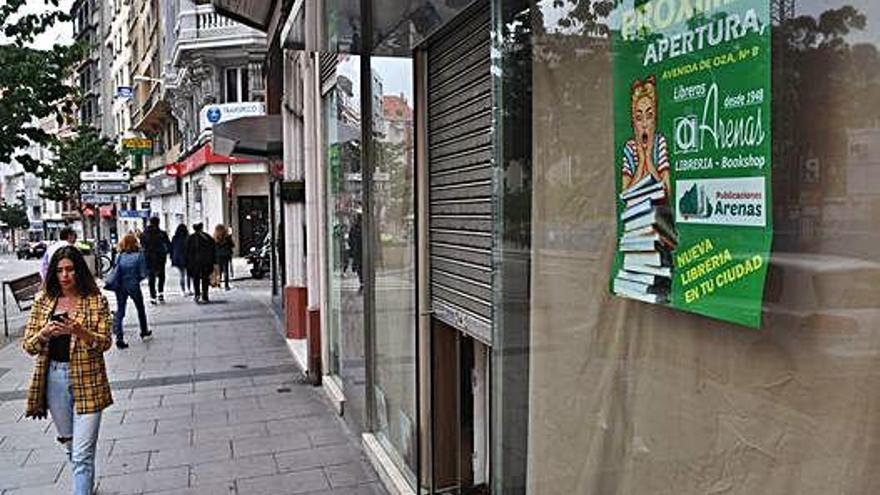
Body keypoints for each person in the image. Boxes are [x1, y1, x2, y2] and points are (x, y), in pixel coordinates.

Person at [22, 246, 113, 495]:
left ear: (79, 271)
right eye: (60, 270)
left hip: (89, 381)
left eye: (70, 269)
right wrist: (44, 333)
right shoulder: (44, 301)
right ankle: (86, 485)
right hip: (54, 379)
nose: (65, 275)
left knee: (83, 453)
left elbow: (104, 342)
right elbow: (28, 346)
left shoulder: (96, 300)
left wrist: (79, 331)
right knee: (71, 446)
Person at [112, 234, 151, 349]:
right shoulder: (139, 255)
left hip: (120, 286)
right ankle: (144, 331)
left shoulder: (119, 256)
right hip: (133, 285)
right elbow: (143, 273)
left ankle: (119, 338)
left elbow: (115, 268)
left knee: (120, 311)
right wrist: (136, 279)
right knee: (140, 308)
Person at [139, 217, 171, 305]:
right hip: (160, 257)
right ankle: (160, 293)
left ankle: (153, 297)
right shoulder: (162, 233)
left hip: (148, 257)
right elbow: (168, 244)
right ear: (158, 223)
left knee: (151, 277)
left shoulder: (144, 234)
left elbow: (142, 245)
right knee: (161, 275)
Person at [185, 222, 216, 303]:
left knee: (196, 279)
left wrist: (187, 262)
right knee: (205, 278)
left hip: (194, 262)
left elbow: (187, 251)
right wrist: (213, 261)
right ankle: (205, 296)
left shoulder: (190, 238)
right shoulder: (207, 237)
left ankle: (197, 294)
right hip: (206, 261)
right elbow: (213, 249)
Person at [170, 224, 191, 296]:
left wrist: (172, 258)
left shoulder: (174, 238)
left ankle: (183, 290)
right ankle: (189, 289)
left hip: (177, 259)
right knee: (188, 274)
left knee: (182, 275)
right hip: (187, 258)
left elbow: (171, 249)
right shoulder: (188, 237)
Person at [213, 224, 235, 291]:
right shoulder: (227, 237)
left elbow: (213, 247)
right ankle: (226, 285)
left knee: (219, 270)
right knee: (226, 270)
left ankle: (219, 284)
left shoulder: (215, 238)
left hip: (218, 255)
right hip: (226, 255)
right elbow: (232, 245)